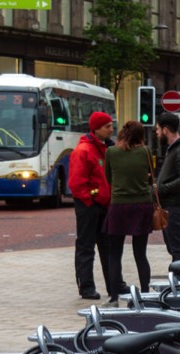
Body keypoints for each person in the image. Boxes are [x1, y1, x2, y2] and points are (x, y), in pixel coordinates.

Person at [103, 120, 155, 303]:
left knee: (114, 254)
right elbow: (150, 176)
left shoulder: (111, 152)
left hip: (119, 205)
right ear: (140, 136)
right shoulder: (145, 152)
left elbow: (108, 178)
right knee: (140, 253)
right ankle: (146, 292)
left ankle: (115, 296)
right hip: (142, 204)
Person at [69, 110, 114, 300]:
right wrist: (90, 200)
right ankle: (86, 287)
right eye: (107, 126)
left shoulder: (105, 148)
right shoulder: (83, 151)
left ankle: (113, 284)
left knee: (107, 247)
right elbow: (76, 183)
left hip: (102, 204)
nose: (111, 129)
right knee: (87, 247)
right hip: (89, 205)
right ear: (96, 129)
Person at [155, 110, 180, 263]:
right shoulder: (174, 149)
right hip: (170, 207)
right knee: (175, 250)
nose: (157, 133)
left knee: (179, 251)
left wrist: (161, 189)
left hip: (175, 208)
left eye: (158, 129)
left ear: (165, 130)